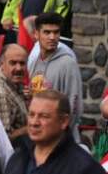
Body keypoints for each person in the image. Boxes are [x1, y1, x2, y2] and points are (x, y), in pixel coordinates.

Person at [26, 12, 83, 140]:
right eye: (47, 32)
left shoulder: (68, 63)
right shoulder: (34, 61)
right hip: (39, 135)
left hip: (61, 140)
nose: (52, 37)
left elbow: (74, 106)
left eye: (56, 32)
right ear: (36, 34)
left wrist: (61, 136)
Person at [0, 44, 29, 143]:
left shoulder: (13, 83)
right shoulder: (1, 95)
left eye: (22, 63)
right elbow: (2, 138)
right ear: (2, 64)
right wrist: (30, 128)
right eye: (13, 63)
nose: (19, 68)